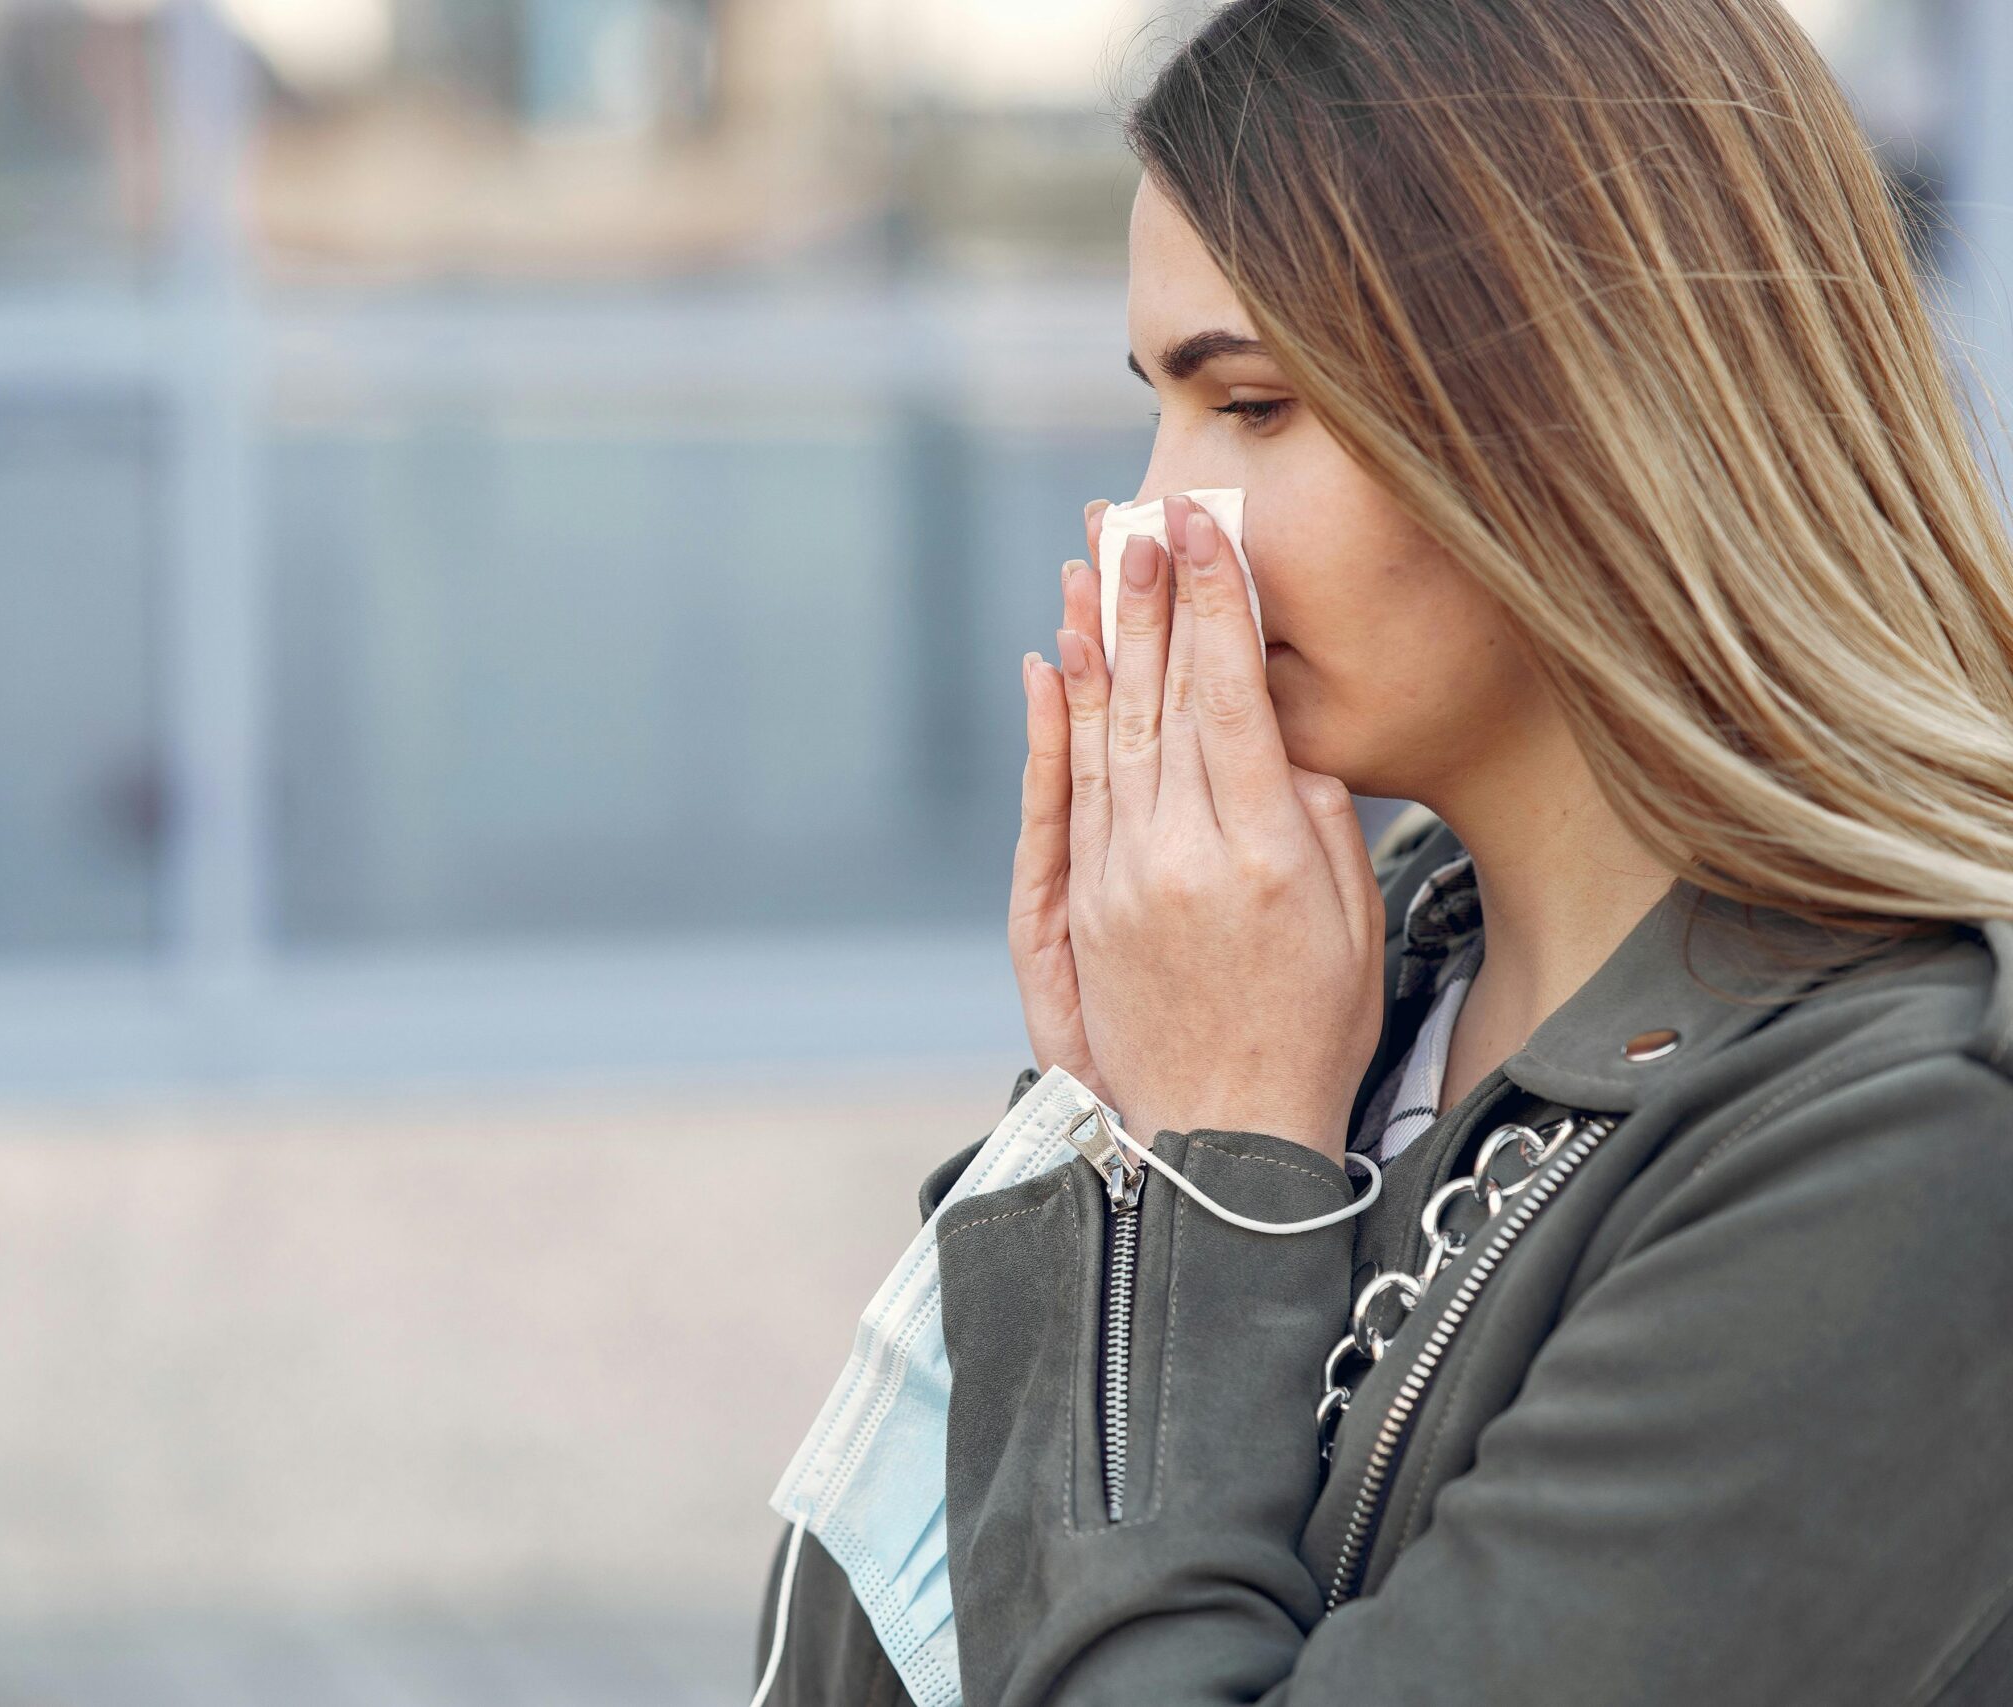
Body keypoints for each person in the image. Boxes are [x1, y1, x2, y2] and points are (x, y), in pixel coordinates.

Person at [750, 0, 2013, 1701]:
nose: (1149, 526)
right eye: (1159, 411)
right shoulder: (1324, 984)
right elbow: (847, 1656)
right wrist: (1107, 1135)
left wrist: (1206, 1171)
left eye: (1253, 407)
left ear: (1590, 413)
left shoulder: (1921, 1147)